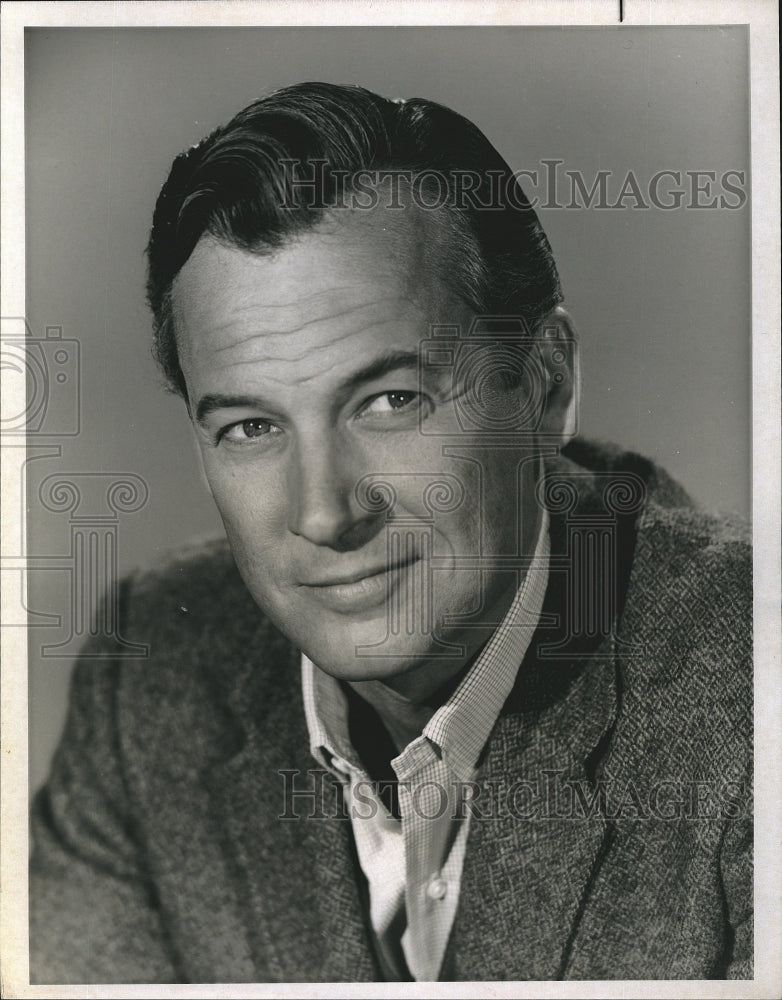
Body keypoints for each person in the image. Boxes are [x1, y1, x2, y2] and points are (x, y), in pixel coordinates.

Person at [29, 82, 752, 983]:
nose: (326, 514)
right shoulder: (148, 691)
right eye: (250, 427)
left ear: (545, 386)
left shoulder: (750, 705)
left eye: (389, 401)